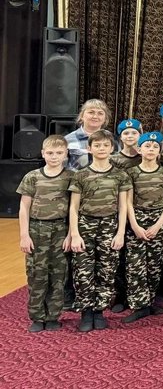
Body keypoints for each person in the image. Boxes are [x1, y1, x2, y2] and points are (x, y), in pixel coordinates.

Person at [68, 130, 132, 332]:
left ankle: (99, 311)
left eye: (105, 145)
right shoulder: (81, 175)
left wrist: (120, 233)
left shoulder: (120, 175)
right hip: (85, 225)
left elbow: (123, 206)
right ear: (89, 148)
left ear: (112, 148)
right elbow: (74, 207)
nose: (101, 149)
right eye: (97, 145)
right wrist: (75, 234)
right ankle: (86, 311)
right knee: (83, 270)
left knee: (107, 269)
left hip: (109, 226)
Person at [17, 135, 73, 332]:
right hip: (37, 229)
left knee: (59, 273)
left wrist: (71, 234)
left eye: (59, 153)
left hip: (61, 229)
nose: (54, 156)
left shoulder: (71, 177)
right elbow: (24, 207)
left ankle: (53, 315)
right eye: (50, 153)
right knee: (36, 273)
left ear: (66, 154)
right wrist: (24, 235)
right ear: (42, 153)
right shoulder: (32, 176)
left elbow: (74, 207)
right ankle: (37, 316)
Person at [122, 131, 163, 323]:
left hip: (157, 220)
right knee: (135, 265)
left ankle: (150, 301)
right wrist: (135, 225)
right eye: (147, 146)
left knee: (154, 264)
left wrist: (158, 225)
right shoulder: (132, 173)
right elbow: (127, 202)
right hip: (137, 219)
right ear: (139, 149)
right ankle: (139, 305)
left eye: (155, 146)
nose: (151, 149)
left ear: (159, 151)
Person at [110, 118, 143, 314]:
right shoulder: (114, 160)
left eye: (134, 133)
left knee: (138, 256)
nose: (130, 136)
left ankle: (141, 294)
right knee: (120, 254)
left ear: (140, 135)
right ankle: (120, 295)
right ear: (120, 137)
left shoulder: (146, 154)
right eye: (126, 133)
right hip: (120, 210)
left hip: (142, 211)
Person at [65, 99, 113, 171]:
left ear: (105, 118)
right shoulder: (67, 140)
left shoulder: (113, 139)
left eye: (100, 113)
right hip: (76, 178)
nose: (95, 116)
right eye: (91, 112)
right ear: (82, 116)